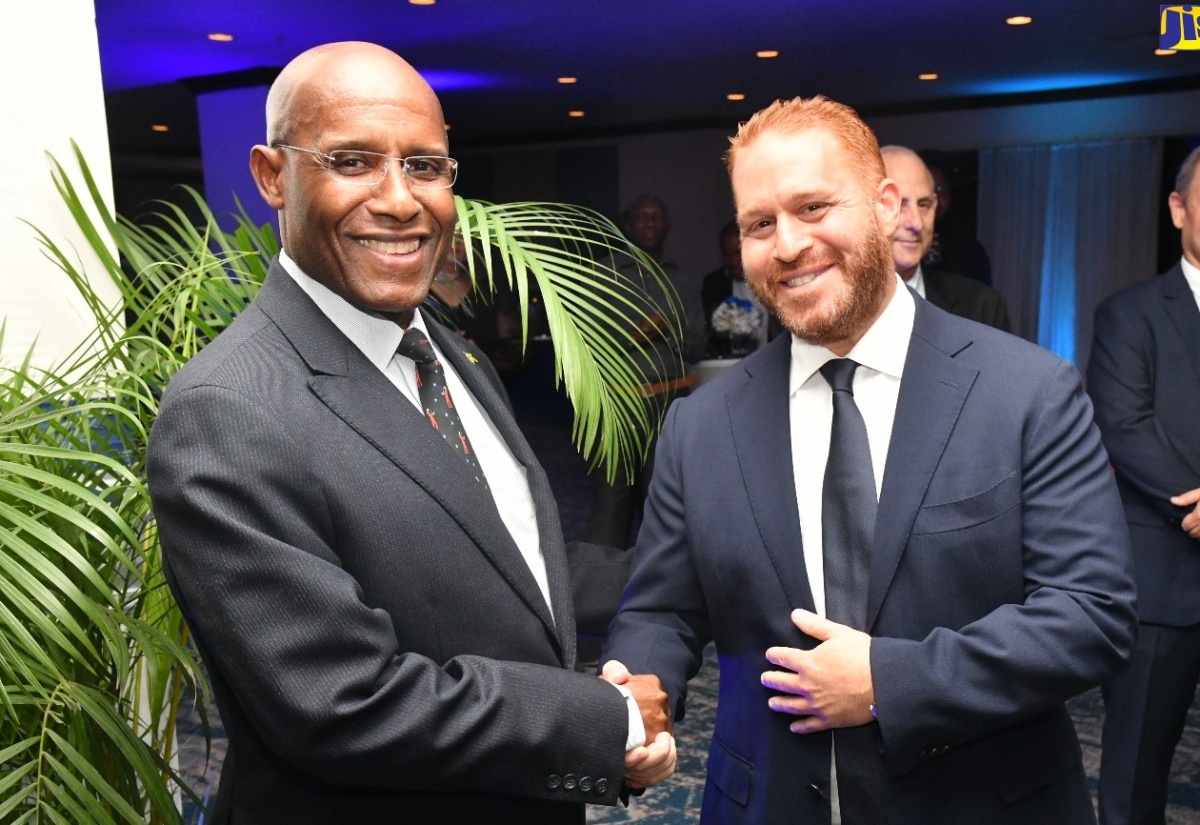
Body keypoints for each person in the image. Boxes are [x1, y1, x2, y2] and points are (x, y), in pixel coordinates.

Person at [146, 41, 674, 825]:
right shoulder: (227, 409)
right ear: (271, 176)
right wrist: (605, 720)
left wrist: (692, 573)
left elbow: (500, 557)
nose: (400, 199)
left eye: (426, 166)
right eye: (353, 161)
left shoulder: (447, 347)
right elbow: (342, 701)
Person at [601, 95, 1136, 824]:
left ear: (887, 205)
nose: (787, 245)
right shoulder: (700, 426)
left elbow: (1090, 615)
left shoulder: (1027, 392)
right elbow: (660, 607)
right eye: (760, 223)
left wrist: (890, 677)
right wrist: (637, 699)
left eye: (814, 207)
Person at [1091, 144, 1200, 825]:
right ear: (1178, 206)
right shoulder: (1130, 313)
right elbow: (1124, 425)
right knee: (1136, 774)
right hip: (1164, 577)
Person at [582, 194, 699, 549]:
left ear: (666, 226)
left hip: (669, 403)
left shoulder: (683, 279)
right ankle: (599, 588)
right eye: (642, 217)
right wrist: (644, 332)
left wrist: (669, 331)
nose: (649, 223)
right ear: (629, 225)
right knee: (611, 500)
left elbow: (696, 345)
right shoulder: (604, 273)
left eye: (656, 216)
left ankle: (664, 585)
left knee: (662, 498)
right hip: (619, 404)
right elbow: (591, 345)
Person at [881, 145, 1011, 332]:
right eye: (900, 204)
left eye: (924, 204)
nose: (916, 223)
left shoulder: (982, 309)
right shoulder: (831, 306)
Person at [918, 149, 994, 286]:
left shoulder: (971, 251)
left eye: (940, 190)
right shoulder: (897, 245)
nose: (934, 200)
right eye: (928, 190)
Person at [701, 220, 772, 356]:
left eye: (737, 253)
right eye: (727, 255)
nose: (733, 261)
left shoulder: (773, 279)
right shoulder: (714, 283)